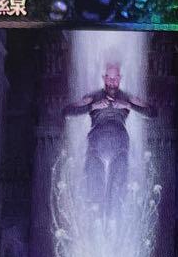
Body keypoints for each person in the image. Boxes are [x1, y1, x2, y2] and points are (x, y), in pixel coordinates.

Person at [63, 62, 155, 214]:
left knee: (117, 193)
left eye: (115, 78)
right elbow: (67, 112)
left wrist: (128, 106)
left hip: (120, 146)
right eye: (109, 78)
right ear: (104, 78)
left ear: (120, 78)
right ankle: (94, 222)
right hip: (96, 145)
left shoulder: (127, 97)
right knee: (94, 191)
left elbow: (152, 113)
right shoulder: (93, 97)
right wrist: (92, 106)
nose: (112, 82)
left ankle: (114, 223)